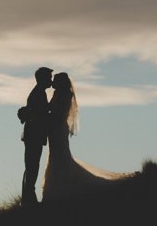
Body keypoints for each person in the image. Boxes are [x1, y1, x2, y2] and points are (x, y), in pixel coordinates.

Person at [41, 72, 132, 201]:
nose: (52, 82)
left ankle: (60, 188)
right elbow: (49, 108)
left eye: (55, 80)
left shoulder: (66, 94)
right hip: (54, 130)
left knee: (61, 156)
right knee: (55, 156)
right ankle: (57, 188)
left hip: (58, 129)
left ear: (60, 82)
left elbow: (60, 114)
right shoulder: (57, 93)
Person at [17, 67, 53, 206]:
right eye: (49, 78)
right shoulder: (38, 93)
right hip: (34, 134)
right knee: (32, 166)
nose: (50, 81)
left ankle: (28, 197)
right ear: (42, 79)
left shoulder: (39, 92)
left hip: (34, 134)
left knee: (32, 166)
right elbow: (40, 114)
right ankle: (28, 199)